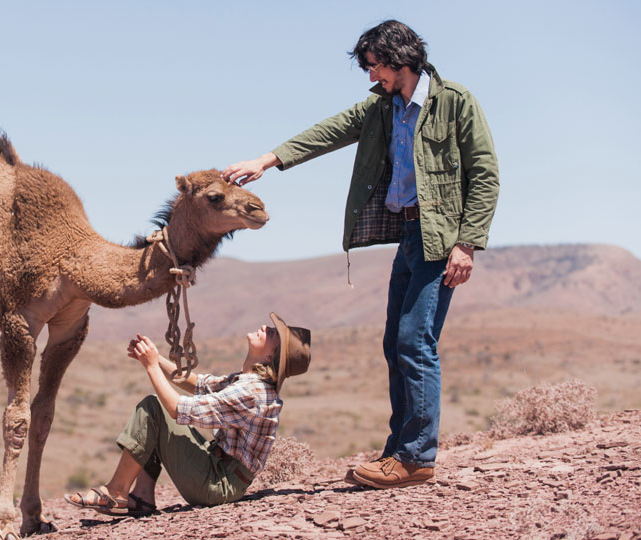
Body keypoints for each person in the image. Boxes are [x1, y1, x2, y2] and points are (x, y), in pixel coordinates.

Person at [221, 20, 499, 489]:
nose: (373, 78)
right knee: (395, 343)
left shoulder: (454, 102)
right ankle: (399, 450)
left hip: (440, 241)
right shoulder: (382, 108)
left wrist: (467, 243)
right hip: (409, 236)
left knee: (415, 342)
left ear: (400, 59)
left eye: (376, 68)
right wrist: (265, 161)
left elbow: (486, 175)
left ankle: (417, 458)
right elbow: (327, 131)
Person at [64, 313, 310, 515]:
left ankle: (117, 492)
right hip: (218, 470)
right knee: (159, 415)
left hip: (218, 485)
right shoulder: (246, 381)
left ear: (270, 357)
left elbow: (176, 409)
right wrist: (155, 357)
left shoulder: (253, 392)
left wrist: (150, 366)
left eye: (272, 333)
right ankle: (142, 498)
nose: (265, 327)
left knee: (154, 408)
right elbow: (196, 384)